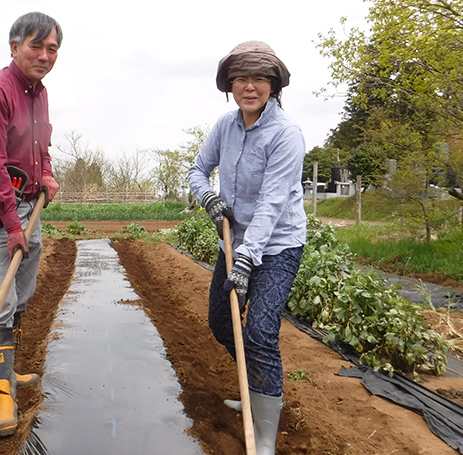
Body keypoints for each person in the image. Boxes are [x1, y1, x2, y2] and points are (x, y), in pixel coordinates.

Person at [187, 41, 307, 455]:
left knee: (258, 331)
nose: (249, 87)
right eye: (241, 79)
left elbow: (273, 204)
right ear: (230, 85)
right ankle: (254, 388)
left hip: (277, 247)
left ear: (274, 85)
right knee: (222, 322)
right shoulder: (225, 126)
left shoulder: (286, 134)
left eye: (259, 79)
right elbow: (198, 170)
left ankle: (266, 434)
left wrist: (245, 262)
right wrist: (208, 197)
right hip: (232, 242)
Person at [0, 11, 62, 438]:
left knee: (22, 291)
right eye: (36, 46)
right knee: (0, 297)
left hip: (27, 202)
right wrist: (10, 223)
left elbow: (40, 142)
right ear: (14, 46)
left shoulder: (39, 93)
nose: (44, 55)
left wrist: (46, 172)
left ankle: (9, 368)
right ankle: (2, 393)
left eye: (52, 49)